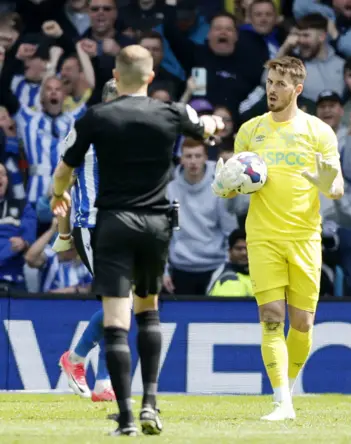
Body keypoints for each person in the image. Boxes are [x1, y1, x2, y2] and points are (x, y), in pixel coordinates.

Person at [50, 45, 223, 436]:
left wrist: (59, 196)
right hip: (155, 224)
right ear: (150, 77)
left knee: (116, 320)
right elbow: (207, 128)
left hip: (112, 223)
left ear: (116, 73)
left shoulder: (95, 118)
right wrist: (212, 123)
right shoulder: (171, 113)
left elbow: (64, 172)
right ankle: (150, 405)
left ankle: (125, 418)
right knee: (148, 313)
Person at [213, 56, 343, 421]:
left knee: (302, 324)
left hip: (304, 237)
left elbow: (338, 185)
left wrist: (326, 184)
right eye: (270, 82)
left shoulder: (319, 131)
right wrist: (224, 186)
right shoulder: (251, 130)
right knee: (271, 318)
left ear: (297, 89)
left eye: (280, 84)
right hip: (263, 237)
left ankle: (286, 389)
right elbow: (235, 180)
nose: (272, 89)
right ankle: (281, 400)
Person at [56, 79, 119, 403]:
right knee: (118, 300)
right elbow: (61, 183)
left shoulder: (133, 135)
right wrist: (64, 233)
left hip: (122, 225)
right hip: (91, 224)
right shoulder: (83, 131)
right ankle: (79, 360)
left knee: (120, 303)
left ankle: (102, 381)